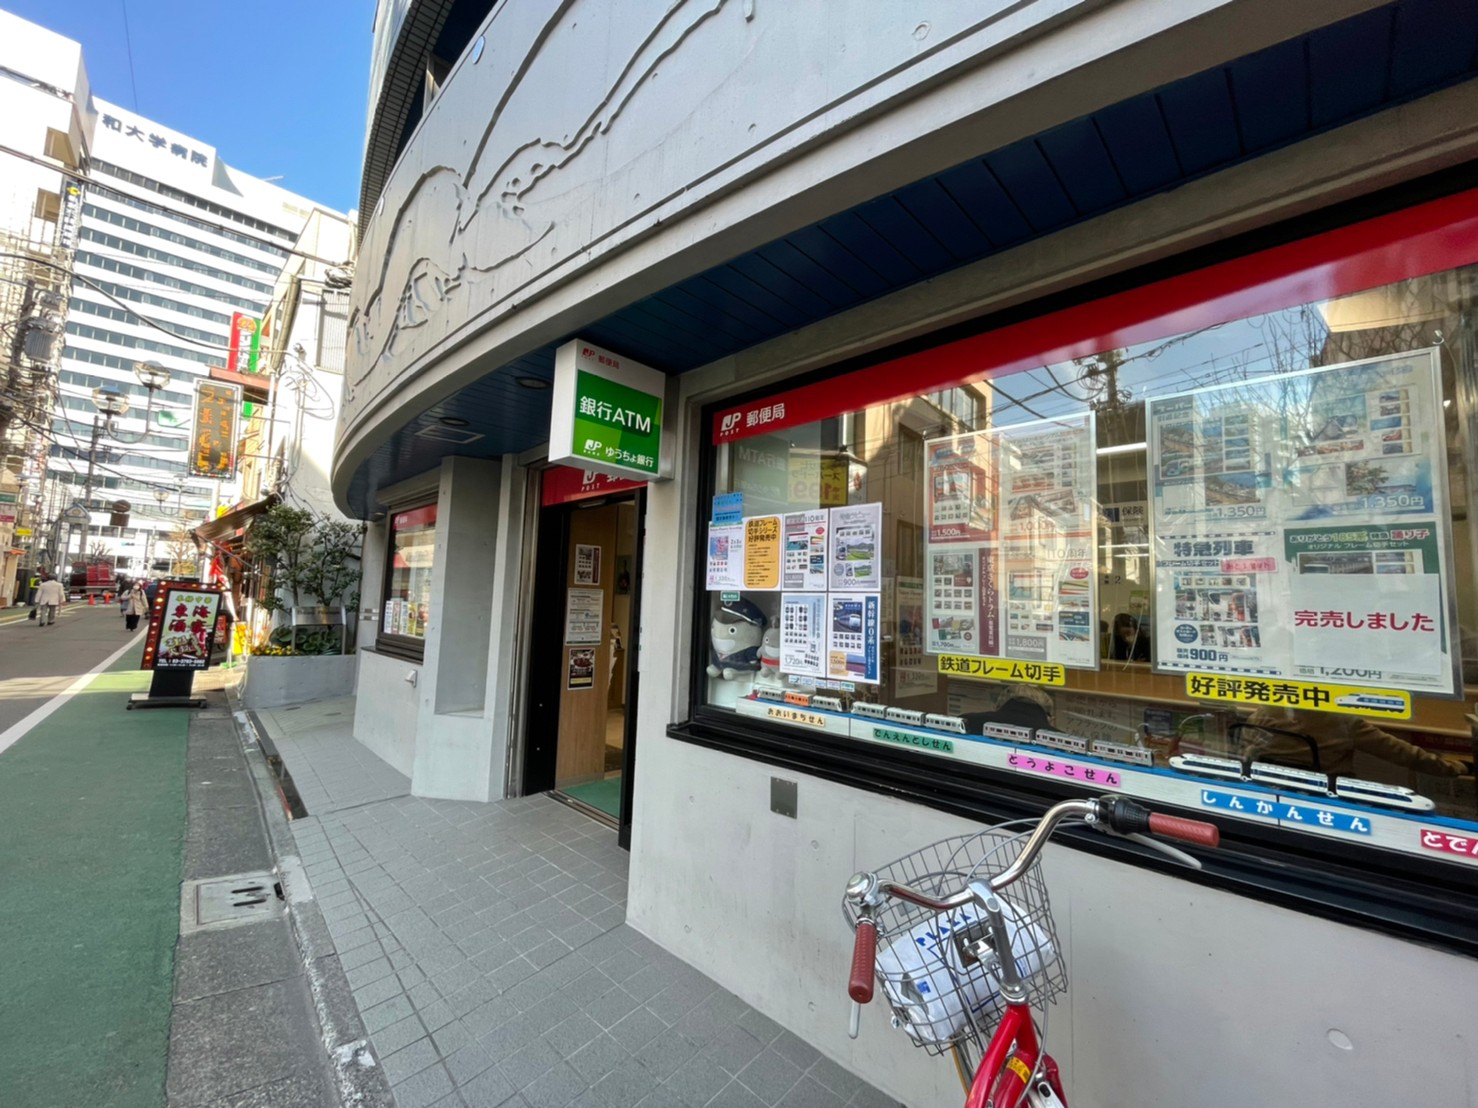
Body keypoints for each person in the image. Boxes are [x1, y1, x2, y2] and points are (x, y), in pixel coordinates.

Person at [1241, 706, 1470, 779]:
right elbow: (1402, 753)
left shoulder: (1264, 711)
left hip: (1267, 784)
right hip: (1329, 791)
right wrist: (1456, 768)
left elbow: (1247, 745)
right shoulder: (1343, 722)